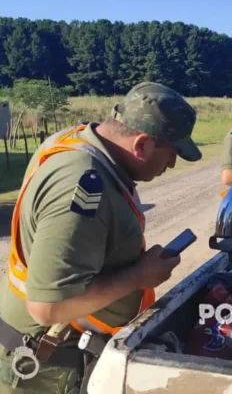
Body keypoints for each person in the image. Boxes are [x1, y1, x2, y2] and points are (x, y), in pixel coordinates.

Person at [0, 81, 202, 393]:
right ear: (142, 145)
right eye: (172, 153)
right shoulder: (81, 187)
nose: (173, 164)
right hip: (44, 369)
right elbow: (47, 307)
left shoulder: (80, 140)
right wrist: (139, 276)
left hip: (55, 356)